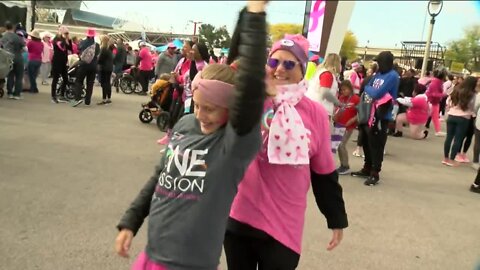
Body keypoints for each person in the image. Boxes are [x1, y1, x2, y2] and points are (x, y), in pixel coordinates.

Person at [114, 2, 268, 269]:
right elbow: (158, 178)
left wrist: (254, 16)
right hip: (152, 256)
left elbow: (251, 86)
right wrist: (131, 221)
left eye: (210, 109)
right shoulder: (185, 125)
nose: (200, 114)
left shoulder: (232, 146)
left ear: (232, 110)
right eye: (197, 105)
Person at [225, 34, 347, 270]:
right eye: (274, 62)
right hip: (240, 215)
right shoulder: (247, 100)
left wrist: (336, 218)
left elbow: (324, 172)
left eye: (289, 64)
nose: (280, 69)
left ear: (302, 70)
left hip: (284, 224)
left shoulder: (315, 114)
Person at [351, 51, 399, 186]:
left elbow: (375, 91)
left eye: (379, 62)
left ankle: (375, 172)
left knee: (376, 144)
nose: (377, 64)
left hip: (381, 115)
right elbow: (366, 86)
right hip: (368, 111)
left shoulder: (393, 76)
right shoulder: (378, 74)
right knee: (366, 140)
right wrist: (368, 88)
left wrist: (368, 88)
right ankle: (367, 167)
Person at [442, 76, 477, 167]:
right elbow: (473, 107)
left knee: (449, 137)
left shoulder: (456, 90)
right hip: (463, 118)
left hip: (451, 115)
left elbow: (448, 101)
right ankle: (451, 160)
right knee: (458, 139)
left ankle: (445, 158)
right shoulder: (472, 94)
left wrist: (451, 108)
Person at [353, 62, 379, 158]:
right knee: (370, 128)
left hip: (365, 104)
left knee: (363, 126)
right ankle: (367, 149)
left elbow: (361, 91)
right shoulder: (379, 80)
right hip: (374, 106)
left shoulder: (367, 79)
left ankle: (358, 148)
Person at [335, 80, 360, 175]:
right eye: (341, 90)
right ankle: (343, 164)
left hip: (348, 126)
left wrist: (352, 120)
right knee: (337, 145)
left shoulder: (356, 99)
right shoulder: (341, 98)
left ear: (350, 89)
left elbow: (359, 113)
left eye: (345, 89)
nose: (343, 92)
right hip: (339, 124)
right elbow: (337, 110)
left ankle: (345, 165)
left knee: (342, 144)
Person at [306, 53, 342, 118]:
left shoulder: (321, 71)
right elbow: (325, 92)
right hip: (320, 110)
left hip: (313, 106)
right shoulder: (327, 74)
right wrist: (337, 102)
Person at [72, 28, 100, 107]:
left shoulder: (82, 43)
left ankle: (77, 98)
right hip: (93, 66)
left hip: (83, 65)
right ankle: (87, 101)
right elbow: (97, 56)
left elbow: (79, 52)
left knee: (79, 81)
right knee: (90, 83)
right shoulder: (97, 45)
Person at [1, 21, 25, 99]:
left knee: (10, 75)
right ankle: (17, 94)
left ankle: (10, 93)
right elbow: (24, 47)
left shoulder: (3, 37)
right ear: (13, 27)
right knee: (19, 76)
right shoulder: (17, 37)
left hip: (7, 58)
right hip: (18, 57)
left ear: (5, 27)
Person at [184, 42, 209, 114]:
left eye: (194, 50)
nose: (191, 52)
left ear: (200, 54)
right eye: (191, 49)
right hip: (188, 96)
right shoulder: (194, 63)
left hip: (196, 98)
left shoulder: (203, 66)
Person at [50, 25, 72, 103]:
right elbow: (61, 47)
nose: (66, 34)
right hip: (56, 61)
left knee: (66, 78)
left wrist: (69, 40)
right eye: (65, 33)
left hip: (63, 62)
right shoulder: (56, 39)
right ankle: (53, 96)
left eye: (67, 33)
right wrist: (64, 39)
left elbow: (70, 49)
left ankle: (62, 95)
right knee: (55, 79)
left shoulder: (66, 40)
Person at [426, 68, 447, 136]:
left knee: (434, 117)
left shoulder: (435, 82)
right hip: (432, 102)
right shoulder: (436, 83)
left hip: (432, 102)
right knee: (434, 117)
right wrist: (443, 95)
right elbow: (434, 94)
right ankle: (438, 131)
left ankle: (438, 130)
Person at [97, 35, 114, 105]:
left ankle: (104, 99)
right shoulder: (110, 49)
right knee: (108, 83)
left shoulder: (103, 48)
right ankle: (108, 98)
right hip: (109, 68)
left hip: (104, 68)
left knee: (104, 84)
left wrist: (97, 60)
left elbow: (100, 59)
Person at [26, 30, 44, 94]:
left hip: (32, 59)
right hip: (39, 60)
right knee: (34, 75)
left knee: (31, 75)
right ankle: (34, 88)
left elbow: (28, 50)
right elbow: (41, 51)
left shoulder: (30, 42)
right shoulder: (41, 43)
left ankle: (33, 88)